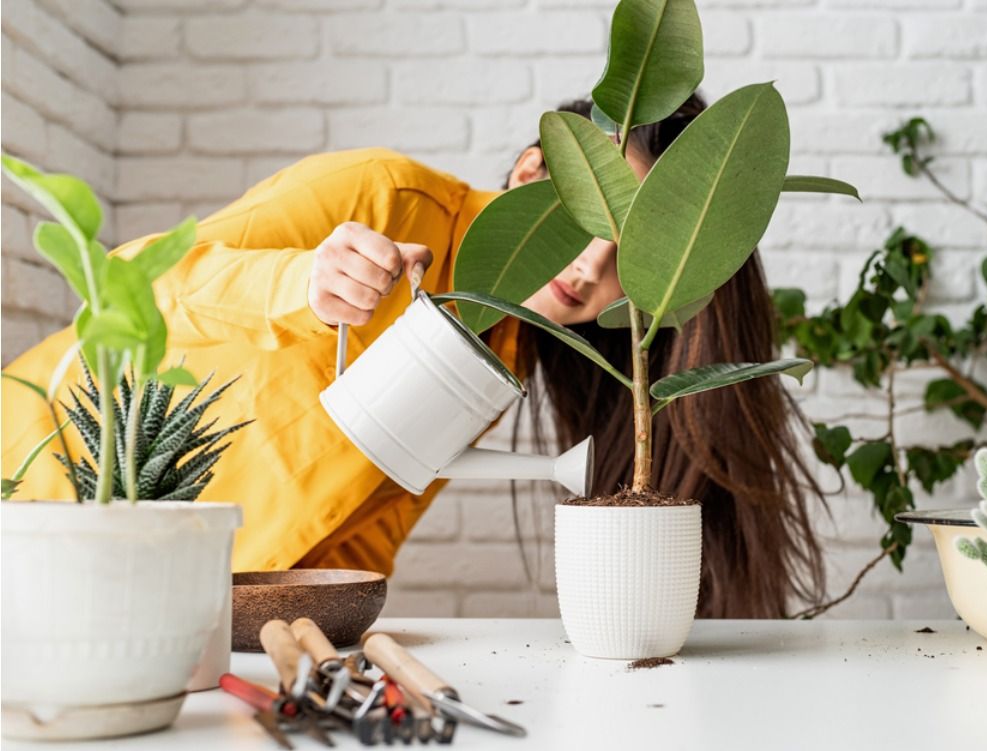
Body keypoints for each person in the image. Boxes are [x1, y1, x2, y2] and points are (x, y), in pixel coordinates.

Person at [1, 94, 825, 618]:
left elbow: (365, 513)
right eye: (591, 228)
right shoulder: (384, 197)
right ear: (535, 171)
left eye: (629, 267)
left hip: (150, 591)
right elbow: (126, 284)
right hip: (34, 484)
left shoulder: (508, 346)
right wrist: (302, 281)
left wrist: (325, 627)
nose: (589, 273)